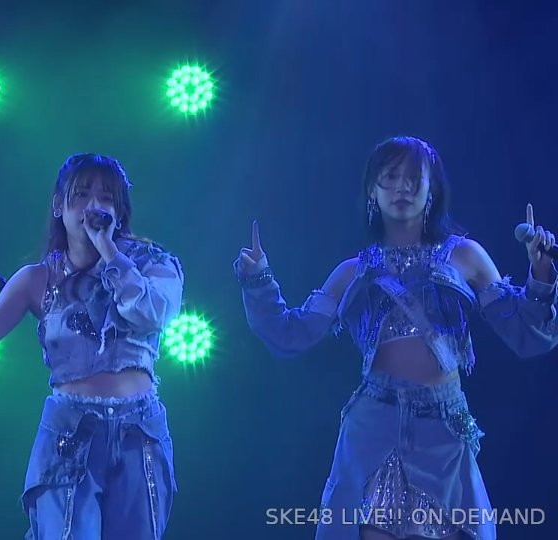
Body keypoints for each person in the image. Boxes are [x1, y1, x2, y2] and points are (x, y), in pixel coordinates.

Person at [235, 136, 558, 540]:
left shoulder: (466, 256)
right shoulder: (352, 272)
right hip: (374, 424)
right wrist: (259, 279)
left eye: (412, 178)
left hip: (443, 427)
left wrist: (541, 273)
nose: (401, 187)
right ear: (372, 190)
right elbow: (289, 334)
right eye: (389, 177)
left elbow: (526, 333)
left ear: (431, 189)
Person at [0, 153, 184, 539]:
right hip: (69, 433)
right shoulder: (36, 279)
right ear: (59, 205)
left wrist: (110, 252)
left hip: (139, 432)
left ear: (119, 211)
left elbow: (152, 313)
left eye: (106, 198)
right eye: (81, 195)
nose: (93, 206)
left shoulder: (154, 264)